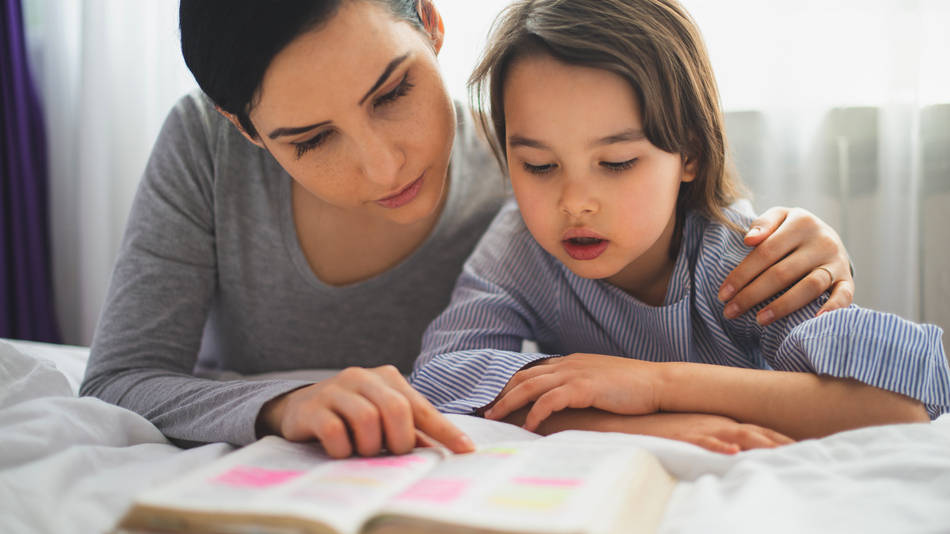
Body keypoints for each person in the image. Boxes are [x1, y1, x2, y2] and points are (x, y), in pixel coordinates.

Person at [81, 0, 857, 458]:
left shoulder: (538, 172)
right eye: (310, 141)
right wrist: (287, 404)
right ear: (243, 128)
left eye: (392, 92)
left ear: (429, 19)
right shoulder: (204, 148)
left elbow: (675, 268)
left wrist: (807, 251)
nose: (385, 166)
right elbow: (120, 380)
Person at [410, 0, 950, 454]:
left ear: (688, 153)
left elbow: (898, 407)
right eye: (539, 166)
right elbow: (442, 379)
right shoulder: (519, 247)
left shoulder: (739, 256)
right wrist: (641, 428)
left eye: (617, 162)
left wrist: (652, 385)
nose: (574, 203)